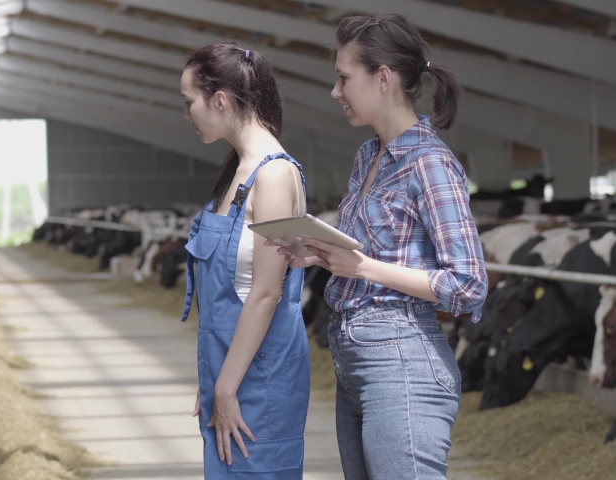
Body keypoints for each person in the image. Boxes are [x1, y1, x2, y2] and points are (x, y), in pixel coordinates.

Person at [269, 13, 488, 480]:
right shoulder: (368, 156)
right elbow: (367, 253)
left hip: (402, 359)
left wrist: (364, 268)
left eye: (344, 78)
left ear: (383, 78)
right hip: (353, 358)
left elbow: (469, 284)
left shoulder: (431, 164)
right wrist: (319, 253)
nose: (335, 91)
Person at [179, 43, 311, 478]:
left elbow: (267, 293)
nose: (187, 114)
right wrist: (213, 378)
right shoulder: (238, 172)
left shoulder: (273, 175)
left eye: (189, 102)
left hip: (261, 378)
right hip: (230, 371)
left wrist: (227, 383)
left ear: (219, 100)